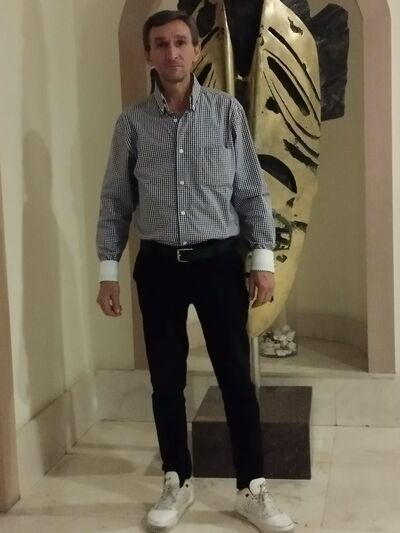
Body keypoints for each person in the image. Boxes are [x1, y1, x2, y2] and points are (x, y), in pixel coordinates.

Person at [96, 9, 294, 533]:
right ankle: (176, 480)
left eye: (181, 42)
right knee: (166, 381)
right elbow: (115, 201)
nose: (172, 52)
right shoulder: (132, 123)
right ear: (149, 55)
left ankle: (252, 488)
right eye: (161, 44)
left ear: (197, 49)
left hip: (218, 264)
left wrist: (261, 260)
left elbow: (250, 191)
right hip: (159, 267)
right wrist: (108, 270)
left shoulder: (227, 113)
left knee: (235, 379)